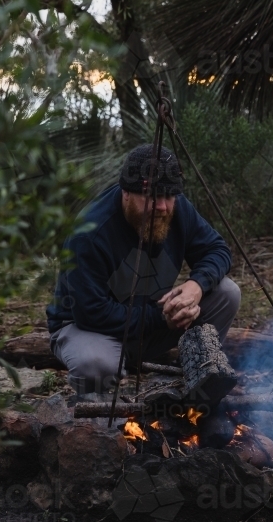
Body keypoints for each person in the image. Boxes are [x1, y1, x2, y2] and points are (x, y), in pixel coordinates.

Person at [46, 144, 240, 396]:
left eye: (169, 196)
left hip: (147, 324)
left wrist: (196, 286)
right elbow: (91, 313)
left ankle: (191, 386)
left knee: (227, 293)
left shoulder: (177, 208)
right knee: (96, 364)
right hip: (90, 330)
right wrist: (161, 318)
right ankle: (96, 421)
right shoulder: (90, 232)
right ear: (125, 192)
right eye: (151, 197)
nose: (162, 206)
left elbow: (217, 249)